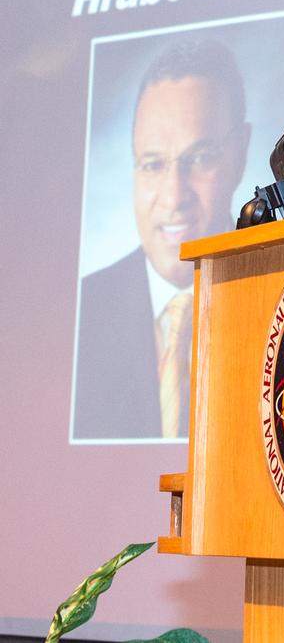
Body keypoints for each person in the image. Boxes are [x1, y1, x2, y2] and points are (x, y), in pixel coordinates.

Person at [73, 38, 250, 440]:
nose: (174, 196)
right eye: (153, 165)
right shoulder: (82, 313)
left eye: (200, 158)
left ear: (240, 153)